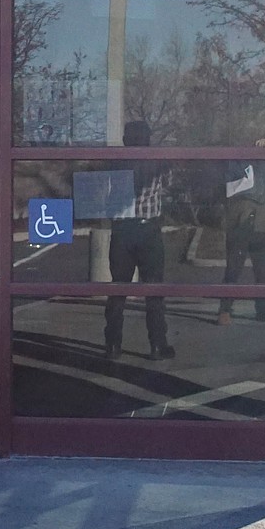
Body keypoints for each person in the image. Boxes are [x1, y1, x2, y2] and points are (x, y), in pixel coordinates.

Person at [103, 118, 175, 361]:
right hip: (149, 229)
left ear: (125, 139)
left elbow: (104, 191)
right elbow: (168, 184)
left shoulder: (115, 162)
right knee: (153, 289)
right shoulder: (157, 160)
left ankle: (113, 344)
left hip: (122, 229)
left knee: (118, 289)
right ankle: (157, 344)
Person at [218, 144, 265, 324]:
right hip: (243, 220)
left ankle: (262, 308)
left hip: (262, 220)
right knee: (234, 268)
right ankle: (225, 309)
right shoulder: (235, 160)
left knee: (262, 271)